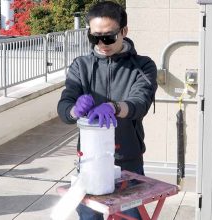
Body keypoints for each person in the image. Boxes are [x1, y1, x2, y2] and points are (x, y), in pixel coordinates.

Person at [57, 1, 157, 219]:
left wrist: (113, 107)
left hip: (128, 160)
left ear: (123, 31)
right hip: (90, 161)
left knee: (130, 215)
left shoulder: (143, 66)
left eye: (109, 36)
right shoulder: (80, 66)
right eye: (95, 37)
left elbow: (139, 102)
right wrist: (75, 110)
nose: (102, 43)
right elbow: (64, 107)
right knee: (90, 216)